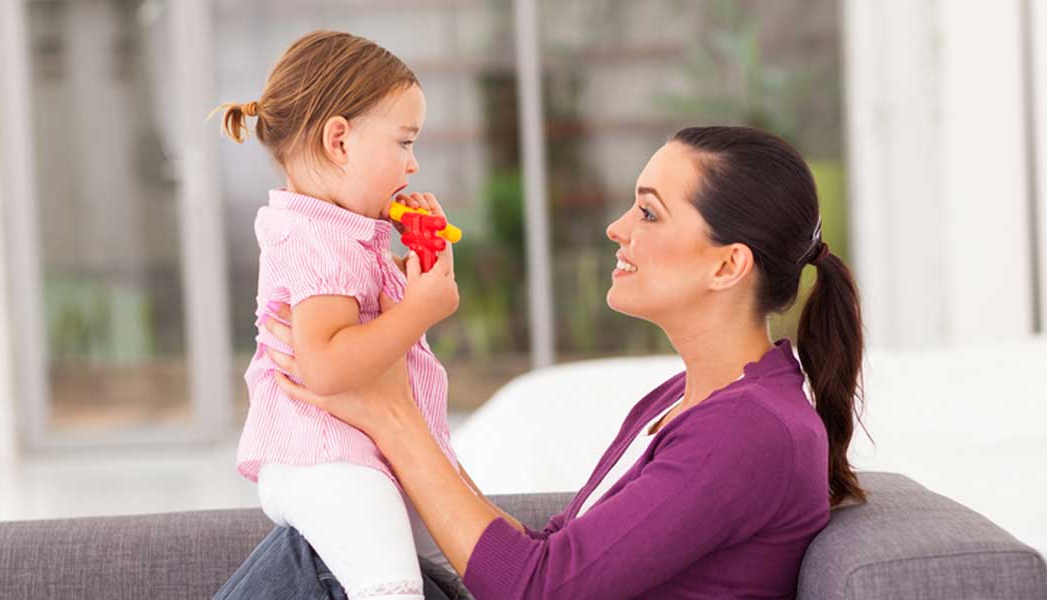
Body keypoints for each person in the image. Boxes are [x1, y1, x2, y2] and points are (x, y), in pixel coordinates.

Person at [217, 125, 867, 599]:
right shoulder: (687, 400)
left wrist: (392, 415)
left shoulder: (748, 431)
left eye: (648, 212)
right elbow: (555, 553)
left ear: (728, 265)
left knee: (321, 567)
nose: (618, 228)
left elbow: (540, 589)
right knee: (328, 544)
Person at [212, 30, 466, 599]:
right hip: (325, 460)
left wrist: (412, 273)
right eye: (404, 142)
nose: (414, 161)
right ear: (339, 141)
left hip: (362, 455)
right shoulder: (313, 239)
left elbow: (365, 333)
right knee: (391, 586)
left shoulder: (344, 234)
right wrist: (421, 309)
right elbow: (326, 367)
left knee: (454, 560)